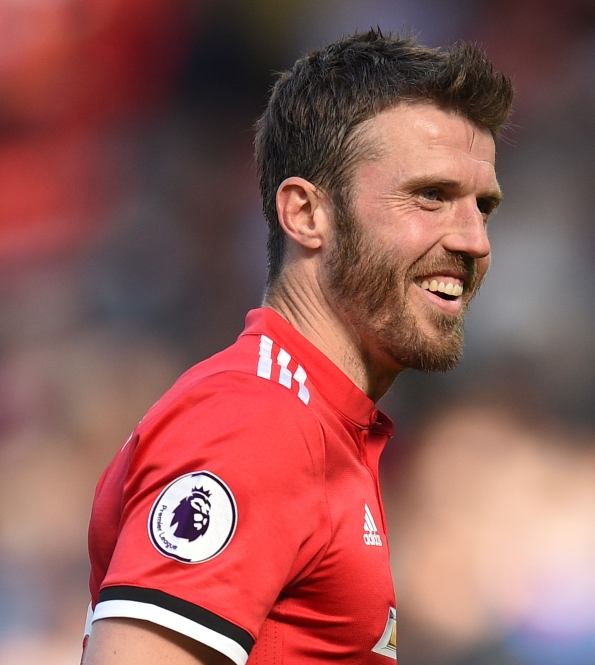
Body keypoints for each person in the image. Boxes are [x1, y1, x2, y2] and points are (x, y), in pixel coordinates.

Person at [81, 29, 513, 665]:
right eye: (431, 196)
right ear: (306, 214)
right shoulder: (256, 425)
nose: (474, 241)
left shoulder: (322, 426)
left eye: (483, 207)